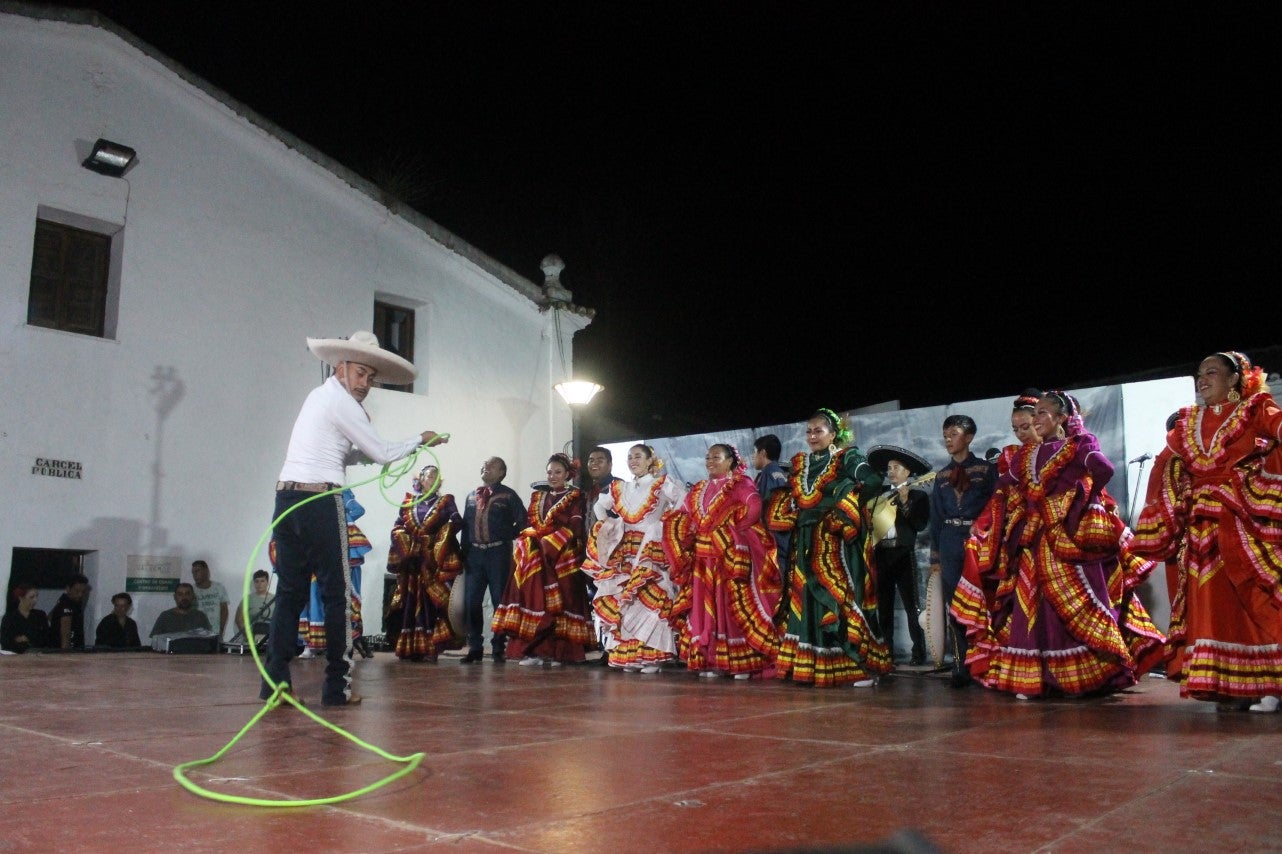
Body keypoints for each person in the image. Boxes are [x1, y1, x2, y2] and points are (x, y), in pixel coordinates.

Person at [263, 329, 447, 708]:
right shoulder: (343, 403)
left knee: (290, 592)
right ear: (340, 367)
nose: (365, 383)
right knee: (338, 595)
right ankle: (336, 688)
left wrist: (369, 454)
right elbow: (379, 452)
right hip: (318, 502)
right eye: (360, 374)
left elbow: (343, 452)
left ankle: (274, 684)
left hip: (287, 498)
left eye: (370, 377)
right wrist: (420, 440)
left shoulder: (320, 398)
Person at [953, 391, 1165, 700]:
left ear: (1062, 418)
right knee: (1032, 605)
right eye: (1034, 414)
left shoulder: (1080, 445)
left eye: (1042, 413)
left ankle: (1082, 678)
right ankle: (1037, 678)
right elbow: (1004, 485)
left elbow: (1103, 468)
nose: (1035, 419)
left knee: (1078, 605)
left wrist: (1079, 501)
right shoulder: (1024, 455)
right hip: (1034, 539)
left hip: (1068, 540)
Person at [1133, 351, 1282, 713]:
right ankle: (1228, 686)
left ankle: (1270, 685)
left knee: (1252, 598)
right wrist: (1171, 500)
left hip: (1241, 522)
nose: (1202, 380)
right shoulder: (1187, 422)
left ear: (1235, 379)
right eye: (1199, 374)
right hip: (1200, 529)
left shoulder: (1254, 409)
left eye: (1212, 373)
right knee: (1211, 606)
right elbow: (1166, 466)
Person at [766, 410, 889, 687]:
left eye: (818, 431)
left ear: (833, 434)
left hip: (835, 541)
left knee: (841, 596)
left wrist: (847, 509)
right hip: (805, 539)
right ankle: (811, 666)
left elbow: (872, 481)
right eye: (809, 431)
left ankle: (859, 666)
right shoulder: (801, 463)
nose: (812, 436)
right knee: (807, 597)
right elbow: (791, 498)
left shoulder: (847, 458)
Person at [664, 442, 782, 679]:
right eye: (708, 457)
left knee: (731, 606)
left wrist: (728, 534)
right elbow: (686, 515)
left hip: (729, 558)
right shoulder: (699, 489)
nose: (710, 461)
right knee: (705, 609)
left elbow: (753, 510)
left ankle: (742, 663)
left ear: (730, 461)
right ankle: (712, 660)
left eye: (716, 457)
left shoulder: (741, 484)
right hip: (702, 560)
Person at [581, 443, 687, 672]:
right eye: (629, 457)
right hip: (626, 550)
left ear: (650, 460)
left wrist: (664, 525)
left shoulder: (662, 483)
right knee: (626, 602)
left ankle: (653, 656)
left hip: (651, 551)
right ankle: (630, 656)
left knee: (652, 599)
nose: (633, 461)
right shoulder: (621, 487)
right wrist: (610, 524)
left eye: (638, 456)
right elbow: (601, 506)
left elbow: (684, 502)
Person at [492, 452, 594, 666]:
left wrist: (549, 545)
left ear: (568, 474)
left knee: (561, 603)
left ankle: (559, 653)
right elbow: (532, 524)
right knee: (534, 599)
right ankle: (535, 652)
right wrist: (529, 541)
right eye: (550, 472)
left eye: (558, 472)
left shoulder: (576, 497)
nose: (553, 476)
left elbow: (575, 527)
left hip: (561, 555)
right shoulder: (538, 497)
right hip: (538, 556)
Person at [927, 414, 998, 687]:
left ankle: (986, 661)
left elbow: (995, 506)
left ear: (968, 437)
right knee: (954, 605)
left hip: (976, 540)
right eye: (945, 434)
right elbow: (935, 517)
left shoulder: (985, 470)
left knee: (980, 602)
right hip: (949, 540)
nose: (948, 439)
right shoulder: (942, 475)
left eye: (954, 433)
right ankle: (960, 666)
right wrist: (936, 556)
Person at [385, 464, 464, 661]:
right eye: (429, 476)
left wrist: (437, 539)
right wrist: (407, 545)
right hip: (412, 563)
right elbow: (397, 527)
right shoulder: (408, 503)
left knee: (433, 604)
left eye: (437, 478)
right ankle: (410, 648)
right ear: (420, 479)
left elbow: (456, 522)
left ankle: (431, 648)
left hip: (433, 562)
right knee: (410, 602)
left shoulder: (445, 501)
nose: (433, 480)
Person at [866, 445, 933, 667]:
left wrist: (905, 503)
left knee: (911, 605)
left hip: (904, 554)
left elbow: (920, 524)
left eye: (896, 467)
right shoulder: (879, 496)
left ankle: (918, 652)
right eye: (889, 467)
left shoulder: (918, 495)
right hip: (882, 555)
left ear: (907, 472)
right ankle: (887, 652)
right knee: (883, 607)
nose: (891, 471)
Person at [458, 457, 526, 664]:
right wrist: (463, 552)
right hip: (475, 556)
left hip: (498, 554)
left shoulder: (508, 495)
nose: (485, 468)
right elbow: (466, 526)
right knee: (471, 602)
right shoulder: (472, 495)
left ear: (501, 473)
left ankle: (498, 647)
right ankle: (475, 647)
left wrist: (507, 535)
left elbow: (523, 520)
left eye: (491, 466)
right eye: (483, 465)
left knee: (499, 601)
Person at [752, 434, 792, 574]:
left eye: (754, 452)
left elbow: (773, 510)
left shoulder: (771, 474)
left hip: (775, 543)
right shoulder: (772, 473)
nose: (753, 457)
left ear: (762, 453)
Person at [2, 586, 51, 653]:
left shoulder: (40, 615)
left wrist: (29, 639)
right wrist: (16, 640)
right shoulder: (9, 618)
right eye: (31, 597)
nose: (35, 600)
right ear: (21, 598)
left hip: (38, 655)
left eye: (36, 596)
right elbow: (4, 641)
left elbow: (47, 638)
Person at [47, 574, 90, 650]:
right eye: (77, 591)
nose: (80, 594)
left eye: (83, 592)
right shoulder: (67, 604)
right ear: (68, 589)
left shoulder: (66, 601)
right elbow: (66, 632)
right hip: (68, 652)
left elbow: (50, 617)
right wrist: (65, 653)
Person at [232, 570, 274, 647]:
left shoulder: (275, 599)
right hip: (251, 639)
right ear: (254, 583)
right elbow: (239, 620)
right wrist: (248, 636)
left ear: (267, 582)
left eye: (262, 581)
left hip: (271, 639)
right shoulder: (248, 599)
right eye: (257, 581)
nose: (259, 584)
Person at [190, 560, 229, 641]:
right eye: (193, 573)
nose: (195, 575)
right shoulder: (191, 590)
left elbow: (224, 610)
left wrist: (221, 630)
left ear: (206, 571)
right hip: (196, 635)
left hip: (215, 633)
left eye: (197, 571)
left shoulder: (219, 587)